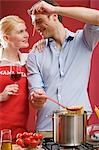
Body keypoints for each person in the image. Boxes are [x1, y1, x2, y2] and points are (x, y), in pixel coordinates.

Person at [26, 0, 99, 136]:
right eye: (34, 23)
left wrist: (55, 9)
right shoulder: (34, 55)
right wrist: (36, 98)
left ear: (54, 16)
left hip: (77, 127)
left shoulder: (84, 40)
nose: (36, 27)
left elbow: (97, 18)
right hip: (46, 129)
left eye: (39, 21)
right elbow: (35, 95)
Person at [0, 15, 29, 141]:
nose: (26, 35)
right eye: (20, 32)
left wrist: (42, 44)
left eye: (25, 30)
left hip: (19, 134)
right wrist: (1, 96)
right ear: (7, 38)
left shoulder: (28, 60)